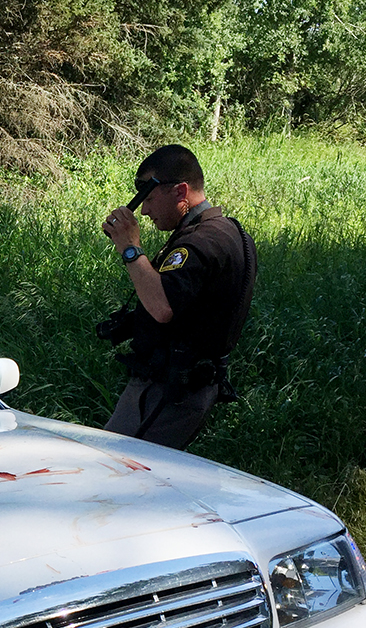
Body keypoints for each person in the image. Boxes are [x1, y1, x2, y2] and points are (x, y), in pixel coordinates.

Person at [96, 144, 257, 449]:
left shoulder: (200, 243)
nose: (144, 211)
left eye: (150, 198)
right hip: (178, 385)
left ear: (181, 191)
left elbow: (162, 307)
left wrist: (130, 249)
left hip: (169, 391)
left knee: (116, 469)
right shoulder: (227, 231)